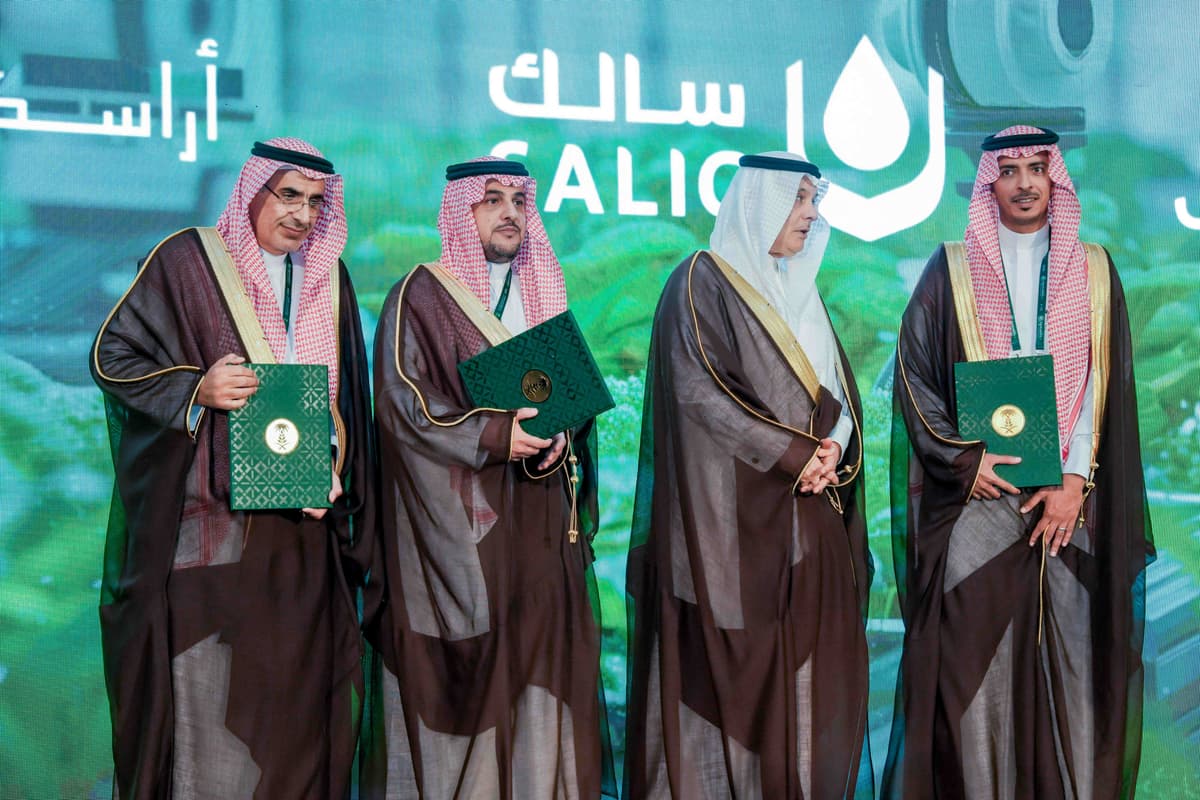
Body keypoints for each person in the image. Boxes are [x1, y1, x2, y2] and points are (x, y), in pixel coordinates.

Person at [91, 138, 374, 798]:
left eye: (315, 202)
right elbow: (113, 357)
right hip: (211, 542)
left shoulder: (328, 281)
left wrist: (339, 464)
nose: (302, 214)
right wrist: (198, 387)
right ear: (253, 193)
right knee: (210, 731)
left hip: (305, 542)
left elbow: (348, 408)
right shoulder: (187, 261)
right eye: (288, 196)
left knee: (297, 724)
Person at [882, 125, 1153, 798]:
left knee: (1075, 669)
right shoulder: (949, 270)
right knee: (973, 670)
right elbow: (913, 381)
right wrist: (961, 462)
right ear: (989, 184)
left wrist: (1075, 479)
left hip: (1069, 507)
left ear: (1055, 178)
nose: (1027, 182)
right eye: (1011, 171)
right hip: (981, 501)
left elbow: (1101, 383)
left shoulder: (1093, 269)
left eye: (1039, 168)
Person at [624, 152, 874, 799]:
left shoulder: (804, 296)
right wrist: (797, 453)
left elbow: (840, 398)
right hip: (725, 556)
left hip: (810, 542)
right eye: (798, 198)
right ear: (759, 201)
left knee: (806, 725)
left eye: (813, 199)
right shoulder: (700, 283)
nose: (812, 212)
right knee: (717, 735)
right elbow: (701, 396)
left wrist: (833, 450)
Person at [362, 157, 614, 799]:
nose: (509, 213)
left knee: (543, 696)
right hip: (464, 546)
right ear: (461, 210)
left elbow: (570, 411)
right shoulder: (420, 295)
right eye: (492, 199)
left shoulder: (541, 297)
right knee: (468, 715)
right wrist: (498, 436)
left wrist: (560, 442)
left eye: (519, 202)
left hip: (540, 543)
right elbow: (402, 406)